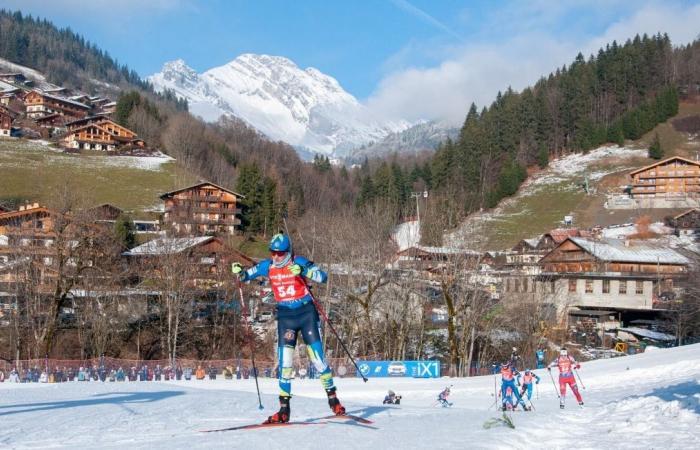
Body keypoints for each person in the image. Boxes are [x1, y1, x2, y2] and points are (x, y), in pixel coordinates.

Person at [232, 233, 344, 424]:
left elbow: (323, 277)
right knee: (284, 364)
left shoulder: (297, 261)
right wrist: (239, 272)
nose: (276, 256)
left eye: (280, 252)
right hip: (286, 316)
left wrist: (303, 271)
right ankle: (284, 410)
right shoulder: (268, 266)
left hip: (306, 313)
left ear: (287, 252)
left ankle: (333, 399)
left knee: (317, 359)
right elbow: (247, 275)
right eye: (273, 252)